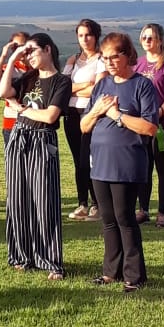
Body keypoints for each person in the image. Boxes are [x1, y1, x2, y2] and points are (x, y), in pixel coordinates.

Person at [81, 32, 158, 294]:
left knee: (125, 218)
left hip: (127, 162)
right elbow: (84, 125)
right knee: (108, 219)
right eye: (106, 58)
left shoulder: (142, 85)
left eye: (115, 56)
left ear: (128, 55)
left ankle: (135, 276)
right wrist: (96, 111)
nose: (110, 62)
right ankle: (110, 272)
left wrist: (116, 115)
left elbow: (149, 128)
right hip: (100, 162)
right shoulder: (102, 85)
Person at [0, 33, 72, 280]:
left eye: (32, 50)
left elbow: (50, 117)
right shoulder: (28, 77)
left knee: (44, 201)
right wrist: (12, 59)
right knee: (17, 198)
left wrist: (22, 109)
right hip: (19, 138)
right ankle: (21, 255)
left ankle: (50, 261)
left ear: (48, 49)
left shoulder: (62, 81)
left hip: (42, 141)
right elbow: (3, 91)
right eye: (26, 52)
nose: (28, 56)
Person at [134, 23, 164, 228]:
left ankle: (162, 212)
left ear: (160, 40)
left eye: (151, 37)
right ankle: (143, 210)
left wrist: (158, 113)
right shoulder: (137, 64)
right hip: (141, 125)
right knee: (143, 168)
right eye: (144, 37)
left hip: (163, 124)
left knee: (162, 168)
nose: (147, 41)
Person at [62, 19, 104, 221]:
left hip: (89, 113)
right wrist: (84, 85)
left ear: (96, 36)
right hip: (70, 114)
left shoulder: (102, 59)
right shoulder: (72, 60)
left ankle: (97, 204)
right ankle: (82, 203)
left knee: (90, 160)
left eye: (88, 35)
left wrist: (76, 86)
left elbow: (98, 88)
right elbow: (62, 88)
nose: (84, 39)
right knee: (78, 161)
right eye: (80, 35)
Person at [0, 32, 31, 147]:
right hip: (11, 122)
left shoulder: (36, 68)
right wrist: (4, 56)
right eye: (15, 47)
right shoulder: (10, 68)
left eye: (22, 46)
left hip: (32, 121)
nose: (19, 50)